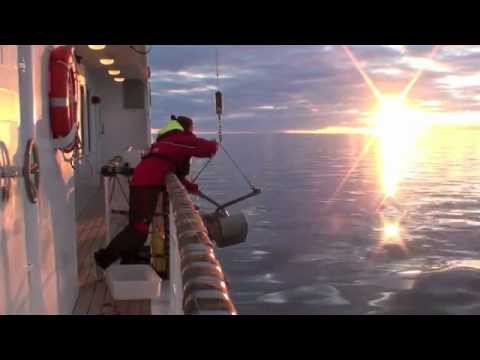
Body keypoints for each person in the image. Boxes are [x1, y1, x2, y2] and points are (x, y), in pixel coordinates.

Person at [94, 115, 218, 271]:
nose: (193, 132)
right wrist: (216, 143)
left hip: (142, 182)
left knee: (139, 227)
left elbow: (167, 168)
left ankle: (130, 257)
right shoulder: (179, 138)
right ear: (186, 128)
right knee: (138, 228)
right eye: (192, 128)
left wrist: (190, 187)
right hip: (146, 186)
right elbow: (208, 148)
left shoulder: (166, 141)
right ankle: (103, 258)